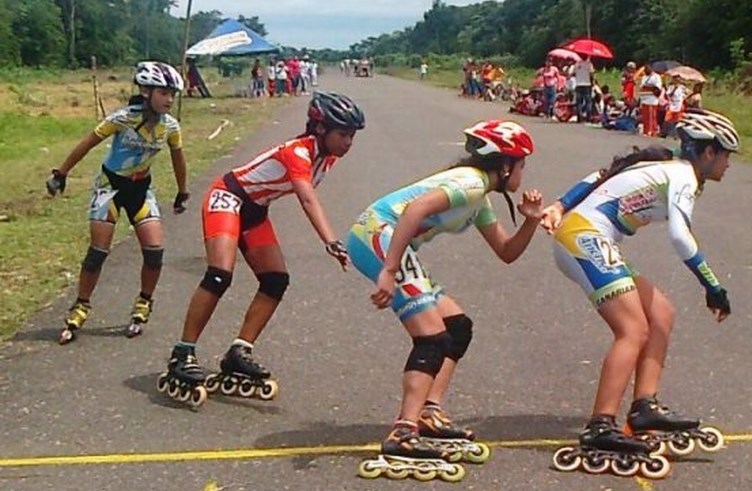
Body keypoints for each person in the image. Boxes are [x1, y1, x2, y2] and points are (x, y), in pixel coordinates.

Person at [542, 109, 738, 477]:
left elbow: (600, 176)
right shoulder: (682, 175)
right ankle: (601, 425)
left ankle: (644, 406)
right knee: (633, 329)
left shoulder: (672, 170)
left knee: (660, 312)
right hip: (584, 237)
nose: (729, 164)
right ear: (709, 152)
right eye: (727, 155)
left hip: (590, 236)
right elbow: (681, 237)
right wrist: (712, 285)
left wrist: (560, 204)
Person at [348, 120, 543, 479]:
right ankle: (404, 432)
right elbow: (414, 210)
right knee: (432, 337)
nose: (523, 171)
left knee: (457, 327)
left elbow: (506, 251)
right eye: (522, 163)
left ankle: (428, 412)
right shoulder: (469, 183)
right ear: (504, 165)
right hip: (378, 236)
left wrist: (529, 222)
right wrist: (389, 270)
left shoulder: (479, 195)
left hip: (390, 240)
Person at [157, 92, 365, 407]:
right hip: (228, 197)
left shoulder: (328, 158)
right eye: (344, 135)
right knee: (219, 276)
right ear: (321, 129)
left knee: (275, 280)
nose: (349, 143)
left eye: (352, 136)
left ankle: (240, 351)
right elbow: (307, 198)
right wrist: (330, 240)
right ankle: (182, 352)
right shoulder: (298, 152)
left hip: (255, 210)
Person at [45, 61, 189, 344]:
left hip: (141, 190)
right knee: (98, 252)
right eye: (164, 93)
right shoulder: (122, 118)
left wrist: (182, 191)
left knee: (154, 252)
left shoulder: (171, 126)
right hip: (110, 187)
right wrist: (61, 174)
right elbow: (87, 143)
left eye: (173, 94)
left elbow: (178, 158)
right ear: (146, 91)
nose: (170, 99)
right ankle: (81, 305)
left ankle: (144, 304)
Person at [638, 65, 663, 136]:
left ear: (651, 69)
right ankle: (646, 130)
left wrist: (648, 86)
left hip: (652, 99)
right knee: (645, 116)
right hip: (644, 98)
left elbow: (657, 87)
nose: (646, 70)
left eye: (647, 69)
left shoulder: (656, 77)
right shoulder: (644, 77)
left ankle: (652, 131)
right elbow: (641, 86)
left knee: (651, 115)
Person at [572, 54, 595, 122]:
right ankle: (588, 117)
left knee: (579, 102)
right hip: (587, 84)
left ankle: (579, 117)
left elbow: (573, 73)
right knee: (588, 101)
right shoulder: (589, 64)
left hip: (578, 84)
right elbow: (592, 74)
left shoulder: (577, 64)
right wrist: (592, 82)